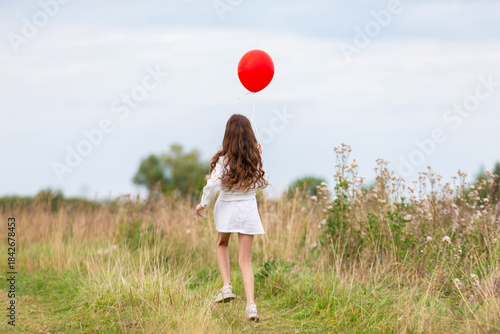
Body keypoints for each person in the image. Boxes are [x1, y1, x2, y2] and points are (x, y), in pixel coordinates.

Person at [195, 114, 269, 322]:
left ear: (228, 134)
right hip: (247, 209)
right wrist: (260, 157)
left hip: (227, 207)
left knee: (222, 244)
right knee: (246, 260)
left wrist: (203, 203)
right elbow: (262, 184)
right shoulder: (253, 158)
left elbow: (213, 184)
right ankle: (251, 306)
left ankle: (227, 286)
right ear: (249, 135)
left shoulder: (223, 160)